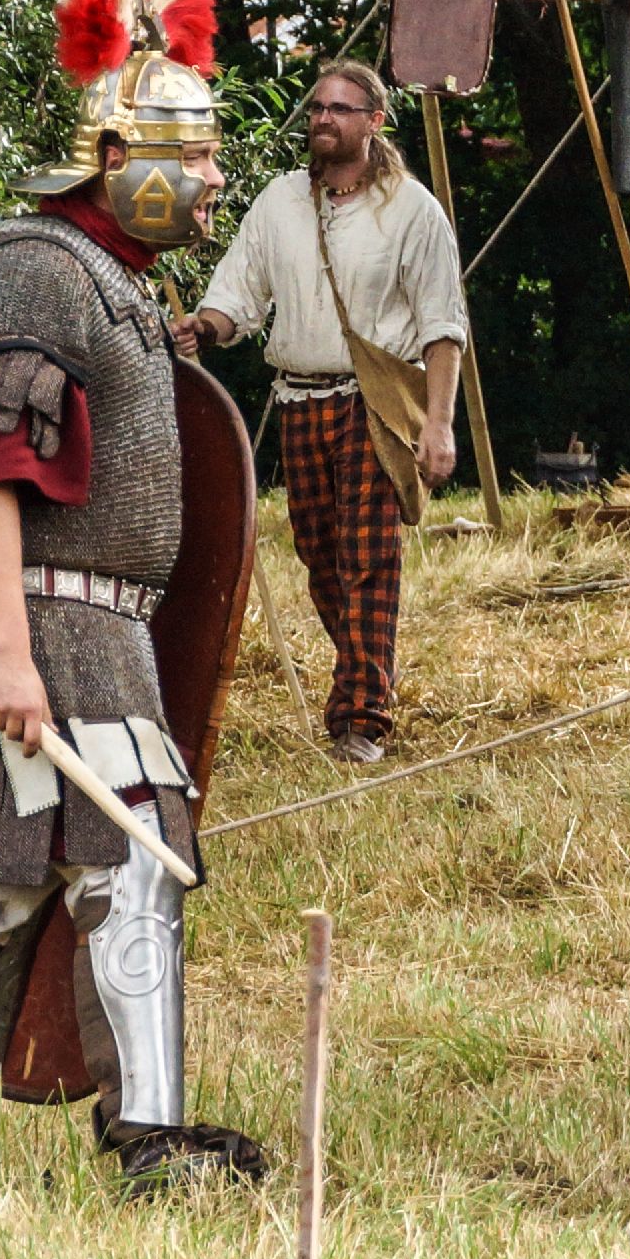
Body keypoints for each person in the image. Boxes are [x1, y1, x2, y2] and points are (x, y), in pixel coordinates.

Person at [0, 0, 270, 1195]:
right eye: (191, 156)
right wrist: (6, 652)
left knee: (8, 889)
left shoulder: (114, 290)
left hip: (87, 630)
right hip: (37, 627)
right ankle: (144, 1143)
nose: (212, 180)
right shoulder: (33, 272)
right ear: (112, 154)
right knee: (124, 865)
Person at [179, 57, 467, 763]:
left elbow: (441, 325)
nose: (322, 120)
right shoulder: (279, 202)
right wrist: (205, 328)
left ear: (374, 122)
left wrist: (437, 423)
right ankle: (366, 677)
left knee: (367, 558)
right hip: (298, 401)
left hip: (371, 403)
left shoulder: (411, 209)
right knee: (319, 557)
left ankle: (361, 717)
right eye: (315, 109)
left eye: (339, 109)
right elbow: (238, 291)